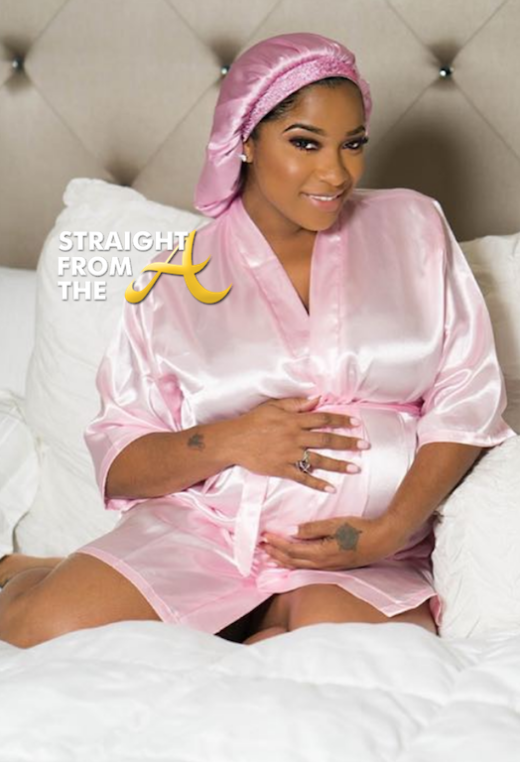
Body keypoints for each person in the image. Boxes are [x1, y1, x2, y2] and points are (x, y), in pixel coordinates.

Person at [0, 32, 516, 649]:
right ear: (244, 140)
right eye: (305, 143)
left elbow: (467, 398)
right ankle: (38, 574)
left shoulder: (414, 226)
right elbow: (123, 460)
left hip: (366, 552)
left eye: (353, 144)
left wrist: (390, 530)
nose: (336, 173)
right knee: (39, 629)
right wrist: (232, 439)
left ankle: (239, 615)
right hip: (210, 536)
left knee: (337, 656)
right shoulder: (177, 281)